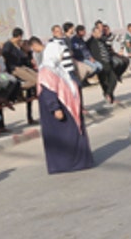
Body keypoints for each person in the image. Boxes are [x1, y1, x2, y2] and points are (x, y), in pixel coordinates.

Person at [37, 36, 94, 174]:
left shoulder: (58, 68)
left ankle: (80, 161)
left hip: (67, 107)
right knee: (63, 138)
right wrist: (55, 108)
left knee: (73, 136)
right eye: (61, 53)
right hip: (59, 110)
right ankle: (64, 164)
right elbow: (47, 91)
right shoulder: (46, 71)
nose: (62, 56)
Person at [87, 25, 118, 105]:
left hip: (107, 62)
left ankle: (109, 94)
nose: (100, 34)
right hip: (100, 64)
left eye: (100, 32)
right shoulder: (90, 42)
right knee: (104, 81)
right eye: (98, 33)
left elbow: (110, 40)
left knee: (113, 79)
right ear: (93, 33)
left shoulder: (102, 40)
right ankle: (109, 97)